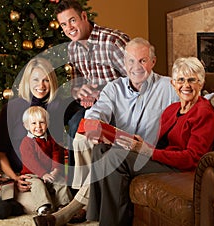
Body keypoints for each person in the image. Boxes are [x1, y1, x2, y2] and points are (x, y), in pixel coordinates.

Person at [33, 37, 214, 226]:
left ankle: (93, 215)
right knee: (99, 150)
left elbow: (200, 108)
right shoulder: (168, 106)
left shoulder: (172, 92)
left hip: (164, 158)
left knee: (113, 159)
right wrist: (95, 127)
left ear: (153, 62)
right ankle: (93, 215)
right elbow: (98, 110)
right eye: (131, 61)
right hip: (141, 148)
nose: (136, 67)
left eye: (142, 60)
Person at [86, 56, 214, 226]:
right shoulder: (171, 110)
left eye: (192, 80)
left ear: (201, 83)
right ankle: (95, 218)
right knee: (101, 149)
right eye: (181, 80)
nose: (186, 85)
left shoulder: (204, 112)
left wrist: (146, 150)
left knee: (116, 158)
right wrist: (138, 144)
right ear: (173, 84)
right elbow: (160, 145)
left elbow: (192, 158)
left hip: (181, 166)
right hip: (164, 158)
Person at [55, 0, 130, 186]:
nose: (69, 28)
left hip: (119, 104)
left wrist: (103, 93)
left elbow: (136, 80)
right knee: (63, 117)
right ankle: (73, 187)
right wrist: (80, 91)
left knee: (76, 125)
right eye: (63, 24)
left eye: (72, 21)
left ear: (84, 16)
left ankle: (82, 192)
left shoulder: (112, 41)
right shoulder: (73, 48)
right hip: (91, 104)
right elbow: (76, 83)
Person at [0, 57, 62, 193]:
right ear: (28, 81)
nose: (41, 85)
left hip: (50, 174)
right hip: (21, 175)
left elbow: (57, 147)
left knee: (63, 195)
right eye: (36, 80)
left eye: (46, 80)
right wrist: (15, 178)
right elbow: (0, 151)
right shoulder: (11, 108)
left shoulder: (56, 107)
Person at [17, 106, 72, 215]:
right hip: (33, 174)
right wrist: (43, 174)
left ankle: (64, 205)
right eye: (33, 123)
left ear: (47, 123)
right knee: (37, 185)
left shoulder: (51, 140)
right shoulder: (26, 142)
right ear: (26, 126)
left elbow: (57, 155)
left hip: (50, 173)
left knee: (61, 182)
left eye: (42, 122)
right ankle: (43, 207)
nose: (38, 126)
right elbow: (31, 162)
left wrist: (55, 170)